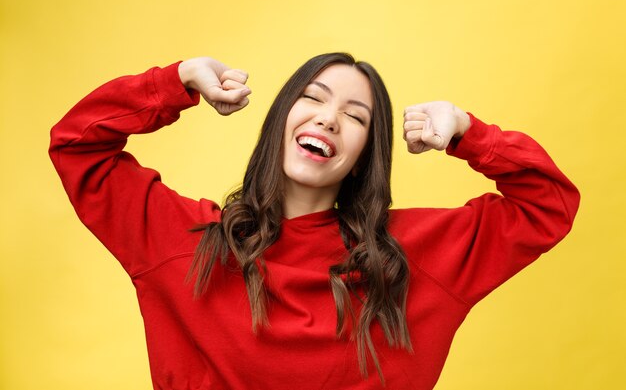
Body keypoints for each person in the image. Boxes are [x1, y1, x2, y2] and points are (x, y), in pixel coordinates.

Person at [49, 53, 580, 390]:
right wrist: (178, 80)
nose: (329, 117)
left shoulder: (416, 256)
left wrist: (467, 132)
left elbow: (547, 204)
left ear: (366, 154)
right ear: (283, 117)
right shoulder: (182, 242)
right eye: (314, 99)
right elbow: (78, 145)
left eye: (355, 116)